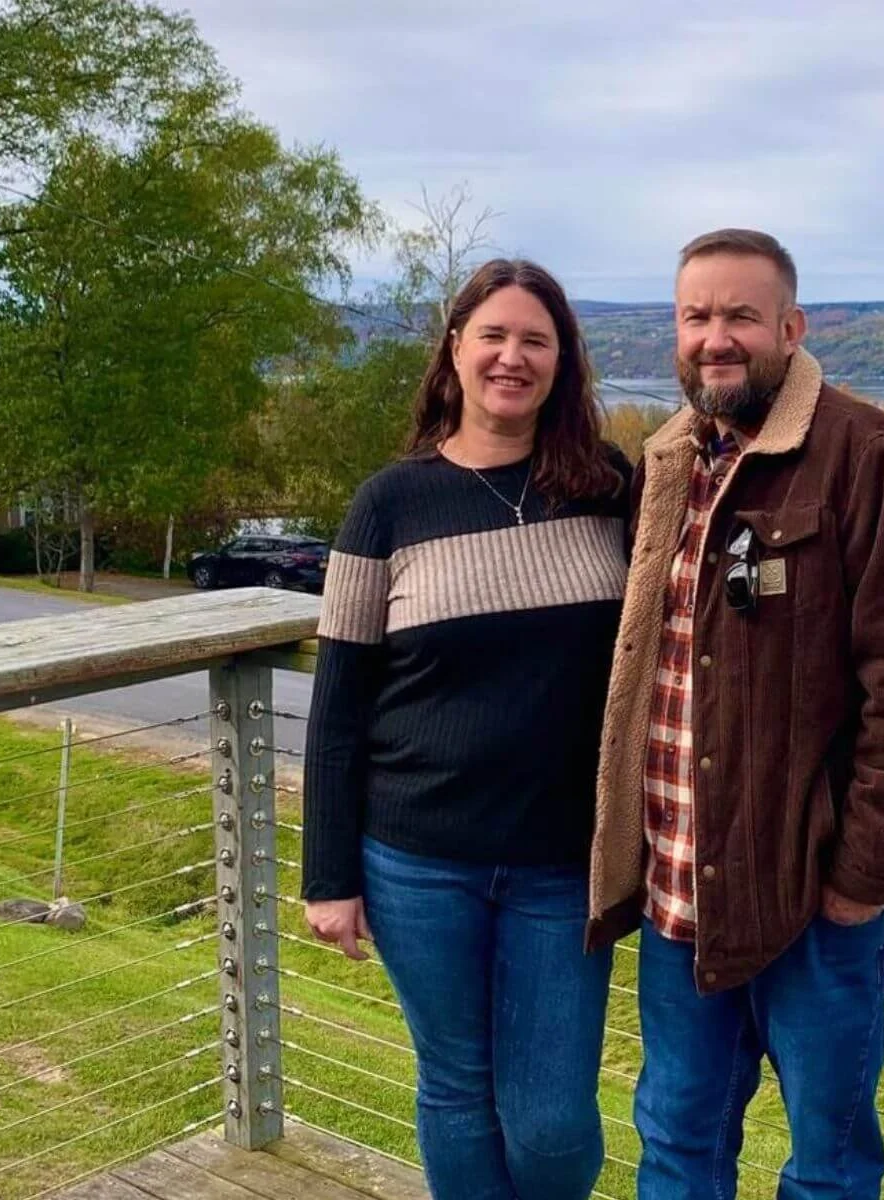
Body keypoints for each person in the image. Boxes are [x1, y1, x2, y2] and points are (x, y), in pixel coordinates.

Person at [587, 229, 884, 1200]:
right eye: (695, 316)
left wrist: (863, 879)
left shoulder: (872, 459)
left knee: (830, 1166)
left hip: (818, 903)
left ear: (790, 327)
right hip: (681, 896)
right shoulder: (667, 469)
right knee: (677, 1144)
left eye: (739, 316)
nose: (715, 337)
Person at [302, 258, 630, 1200]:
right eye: (493, 336)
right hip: (416, 861)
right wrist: (329, 877)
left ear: (563, 362)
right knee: (455, 1088)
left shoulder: (607, 488)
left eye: (536, 340)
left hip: (563, 862)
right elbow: (338, 710)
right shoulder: (388, 504)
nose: (512, 357)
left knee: (552, 1117)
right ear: (455, 351)